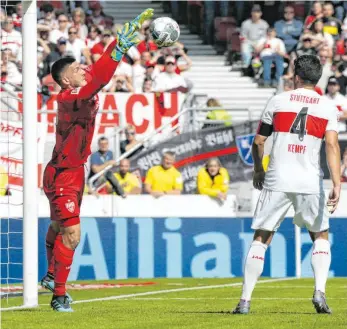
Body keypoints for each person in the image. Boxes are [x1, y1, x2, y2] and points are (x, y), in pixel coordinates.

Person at [40, 8, 154, 312]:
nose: (83, 70)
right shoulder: (67, 99)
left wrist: (125, 45)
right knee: (73, 235)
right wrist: (118, 47)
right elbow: (100, 79)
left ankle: (52, 275)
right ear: (65, 80)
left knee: (58, 225)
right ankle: (59, 295)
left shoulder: (79, 88)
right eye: (77, 68)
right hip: (63, 173)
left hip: (70, 171)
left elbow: (100, 72)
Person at [233, 55, 341, 315]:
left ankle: (245, 301)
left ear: (296, 76)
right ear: (318, 78)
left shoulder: (278, 100)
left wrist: (259, 170)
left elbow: (259, 141)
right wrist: (337, 183)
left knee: (262, 236)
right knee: (320, 235)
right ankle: (319, 292)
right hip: (308, 180)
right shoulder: (327, 107)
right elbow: (331, 145)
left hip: (277, 178)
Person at [240, 4, 269, 75]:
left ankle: (259, 70)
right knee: (244, 47)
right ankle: (246, 67)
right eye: (254, 12)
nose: (256, 14)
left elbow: (266, 37)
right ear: (251, 13)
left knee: (267, 48)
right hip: (249, 42)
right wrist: (253, 45)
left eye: (258, 12)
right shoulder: (246, 23)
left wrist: (260, 45)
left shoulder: (264, 24)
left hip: (260, 44)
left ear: (261, 14)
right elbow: (243, 37)